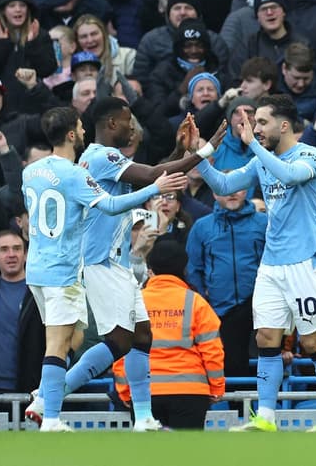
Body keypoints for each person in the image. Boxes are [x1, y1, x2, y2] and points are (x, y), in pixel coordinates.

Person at [25, 98, 216, 430]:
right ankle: (49, 396)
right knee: (119, 340)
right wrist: (209, 147)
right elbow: (151, 179)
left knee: (142, 335)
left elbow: (149, 177)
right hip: (100, 259)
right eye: (128, 120)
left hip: (114, 260)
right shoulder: (102, 157)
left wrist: (178, 151)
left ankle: (144, 418)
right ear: (112, 123)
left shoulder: (97, 159)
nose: (133, 126)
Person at [191, 94, 316, 432]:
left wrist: (253, 146)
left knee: (312, 341)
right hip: (271, 264)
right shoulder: (262, 160)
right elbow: (224, 184)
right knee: (265, 337)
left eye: (262, 122)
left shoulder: (310, 155)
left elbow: (289, 176)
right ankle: (265, 416)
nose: (255, 128)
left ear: (284, 125)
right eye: (254, 123)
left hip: (305, 260)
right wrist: (197, 154)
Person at [112, 237, 225, 430]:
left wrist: (124, 390)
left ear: (150, 269)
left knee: (150, 450)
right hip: (190, 391)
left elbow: (121, 352)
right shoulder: (196, 302)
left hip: (144, 393)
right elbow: (212, 350)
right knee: (186, 450)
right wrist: (216, 387)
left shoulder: (133, 302)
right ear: (184, 269)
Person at [186, 175, 267, 377]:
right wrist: (204, 303)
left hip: (260, 310)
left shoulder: (264, 223)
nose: (231, 193)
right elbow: (194, 269)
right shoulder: (201, 227)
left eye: (237, 187)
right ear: (214, 194)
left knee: (262, 368)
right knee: (228, 371)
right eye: (224, 189)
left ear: (246, 190)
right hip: (218, 312)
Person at [0, 231, 44, 408]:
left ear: (26, 254)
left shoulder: (40, 293)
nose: (11, 254)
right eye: (4, 249)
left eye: (17, 248)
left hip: (27, 389)